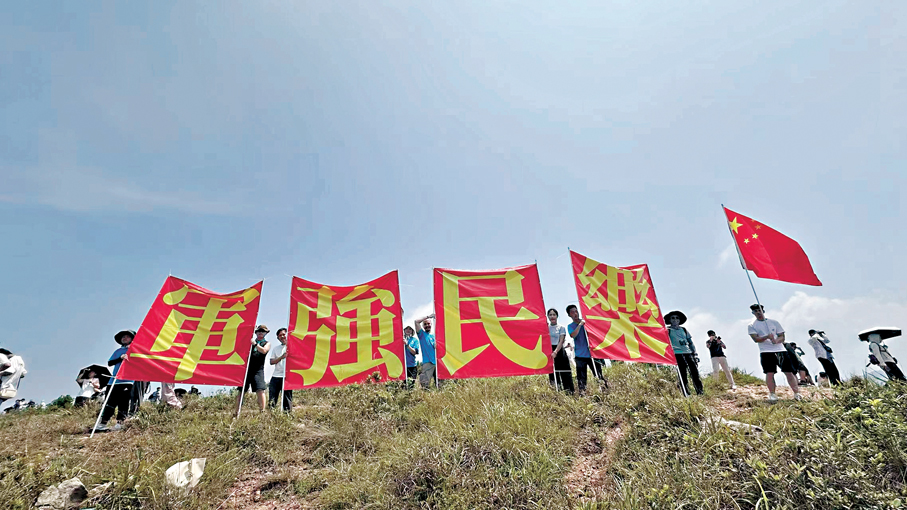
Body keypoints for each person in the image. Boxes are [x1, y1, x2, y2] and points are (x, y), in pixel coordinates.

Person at [747, 304, 801, 402]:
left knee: (788, 372)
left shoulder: (774, 322)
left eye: (759, 310)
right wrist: (767, 337)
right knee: (770, 373)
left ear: (763, 310)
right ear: (753, 313)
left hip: (780, 350)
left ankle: (796, 393)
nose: (758, 312)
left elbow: (782, 336)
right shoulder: (752, 325)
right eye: (755, 311)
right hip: (766, 351)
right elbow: (756, 339)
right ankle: (772, 394)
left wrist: (776, 341)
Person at [96, 330, 136, 431]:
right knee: (109, 402)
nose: (124, 338)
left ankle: (120, 423)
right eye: (123, 337)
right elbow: (110, 363)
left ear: (132, 339)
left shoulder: (135, 350)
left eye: (127, 337)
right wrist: (120, 358)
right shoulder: (118, 351)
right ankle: (103, 423)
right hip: (114, 380)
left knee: (124, 402)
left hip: (127, 380)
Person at [566, 305, 606, 395]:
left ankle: (604, 391)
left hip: (592, 353)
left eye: (576, 311)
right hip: (580, 355)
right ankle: (582, 394)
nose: (575, 314)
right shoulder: (571, 326)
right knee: (581, 377)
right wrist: (580, 325)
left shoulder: (587, 323)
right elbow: (573, 335)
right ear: (569, 315)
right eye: (572, 312)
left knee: (598, 374)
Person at [665, 311, 703, 396]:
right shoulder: (668, 330)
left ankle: (700, 391)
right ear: (670, 320)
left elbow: (690, 342)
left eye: (677, 318)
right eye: (673, 318)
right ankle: (686, 392)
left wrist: (695, 354)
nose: (675, 320)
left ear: (679, 320)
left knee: (694, 373)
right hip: (677, 354)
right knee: (682, 374)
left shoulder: (684, 330)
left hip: (688, 353)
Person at [235, 325, 271, 414]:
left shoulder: (266, 343)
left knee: (260, 390)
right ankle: (236, 411)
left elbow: (264, 351)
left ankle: (262, 411)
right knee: (241, 391)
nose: (260, 333)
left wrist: (255, 344)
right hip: (246, 369)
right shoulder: (248, 342)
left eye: (263, 331)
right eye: (259, 331)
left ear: (265, 333)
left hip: (258, 369)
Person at [547, 308, 575, 394]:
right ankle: (556, 392)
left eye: (554, 314)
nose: (552, 316)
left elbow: (561, 340)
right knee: (553, 373)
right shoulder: (546, 328)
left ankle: (569, 392)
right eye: (550, 315)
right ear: (548, 316)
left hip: (559, 350)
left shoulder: (561, 327)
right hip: (549, 351)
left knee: (565, 372)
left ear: (557, 316)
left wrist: (555, 352)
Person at [268, 327, 292, 412]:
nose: (282, 336)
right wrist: (281, 357)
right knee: (272, 398)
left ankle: (287, 415)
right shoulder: (276, 349)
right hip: (276, 376)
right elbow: (271, 361)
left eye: (283, 334)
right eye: (280, 335)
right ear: (278, 338)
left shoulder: (292, 346)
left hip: (287, 376)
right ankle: (271, 415)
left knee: (287, 398)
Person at [414, 314, 438, 389]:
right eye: (425, 324)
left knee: (440, 383)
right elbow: (416, 322)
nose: (427, 325)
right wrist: (428, 316)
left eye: (428, 324)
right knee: (425, 384)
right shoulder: (422, 335)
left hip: (437, 362)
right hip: (427, 362)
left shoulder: (435, 336)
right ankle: (425, 397)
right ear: (423, 326)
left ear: (431, 324)